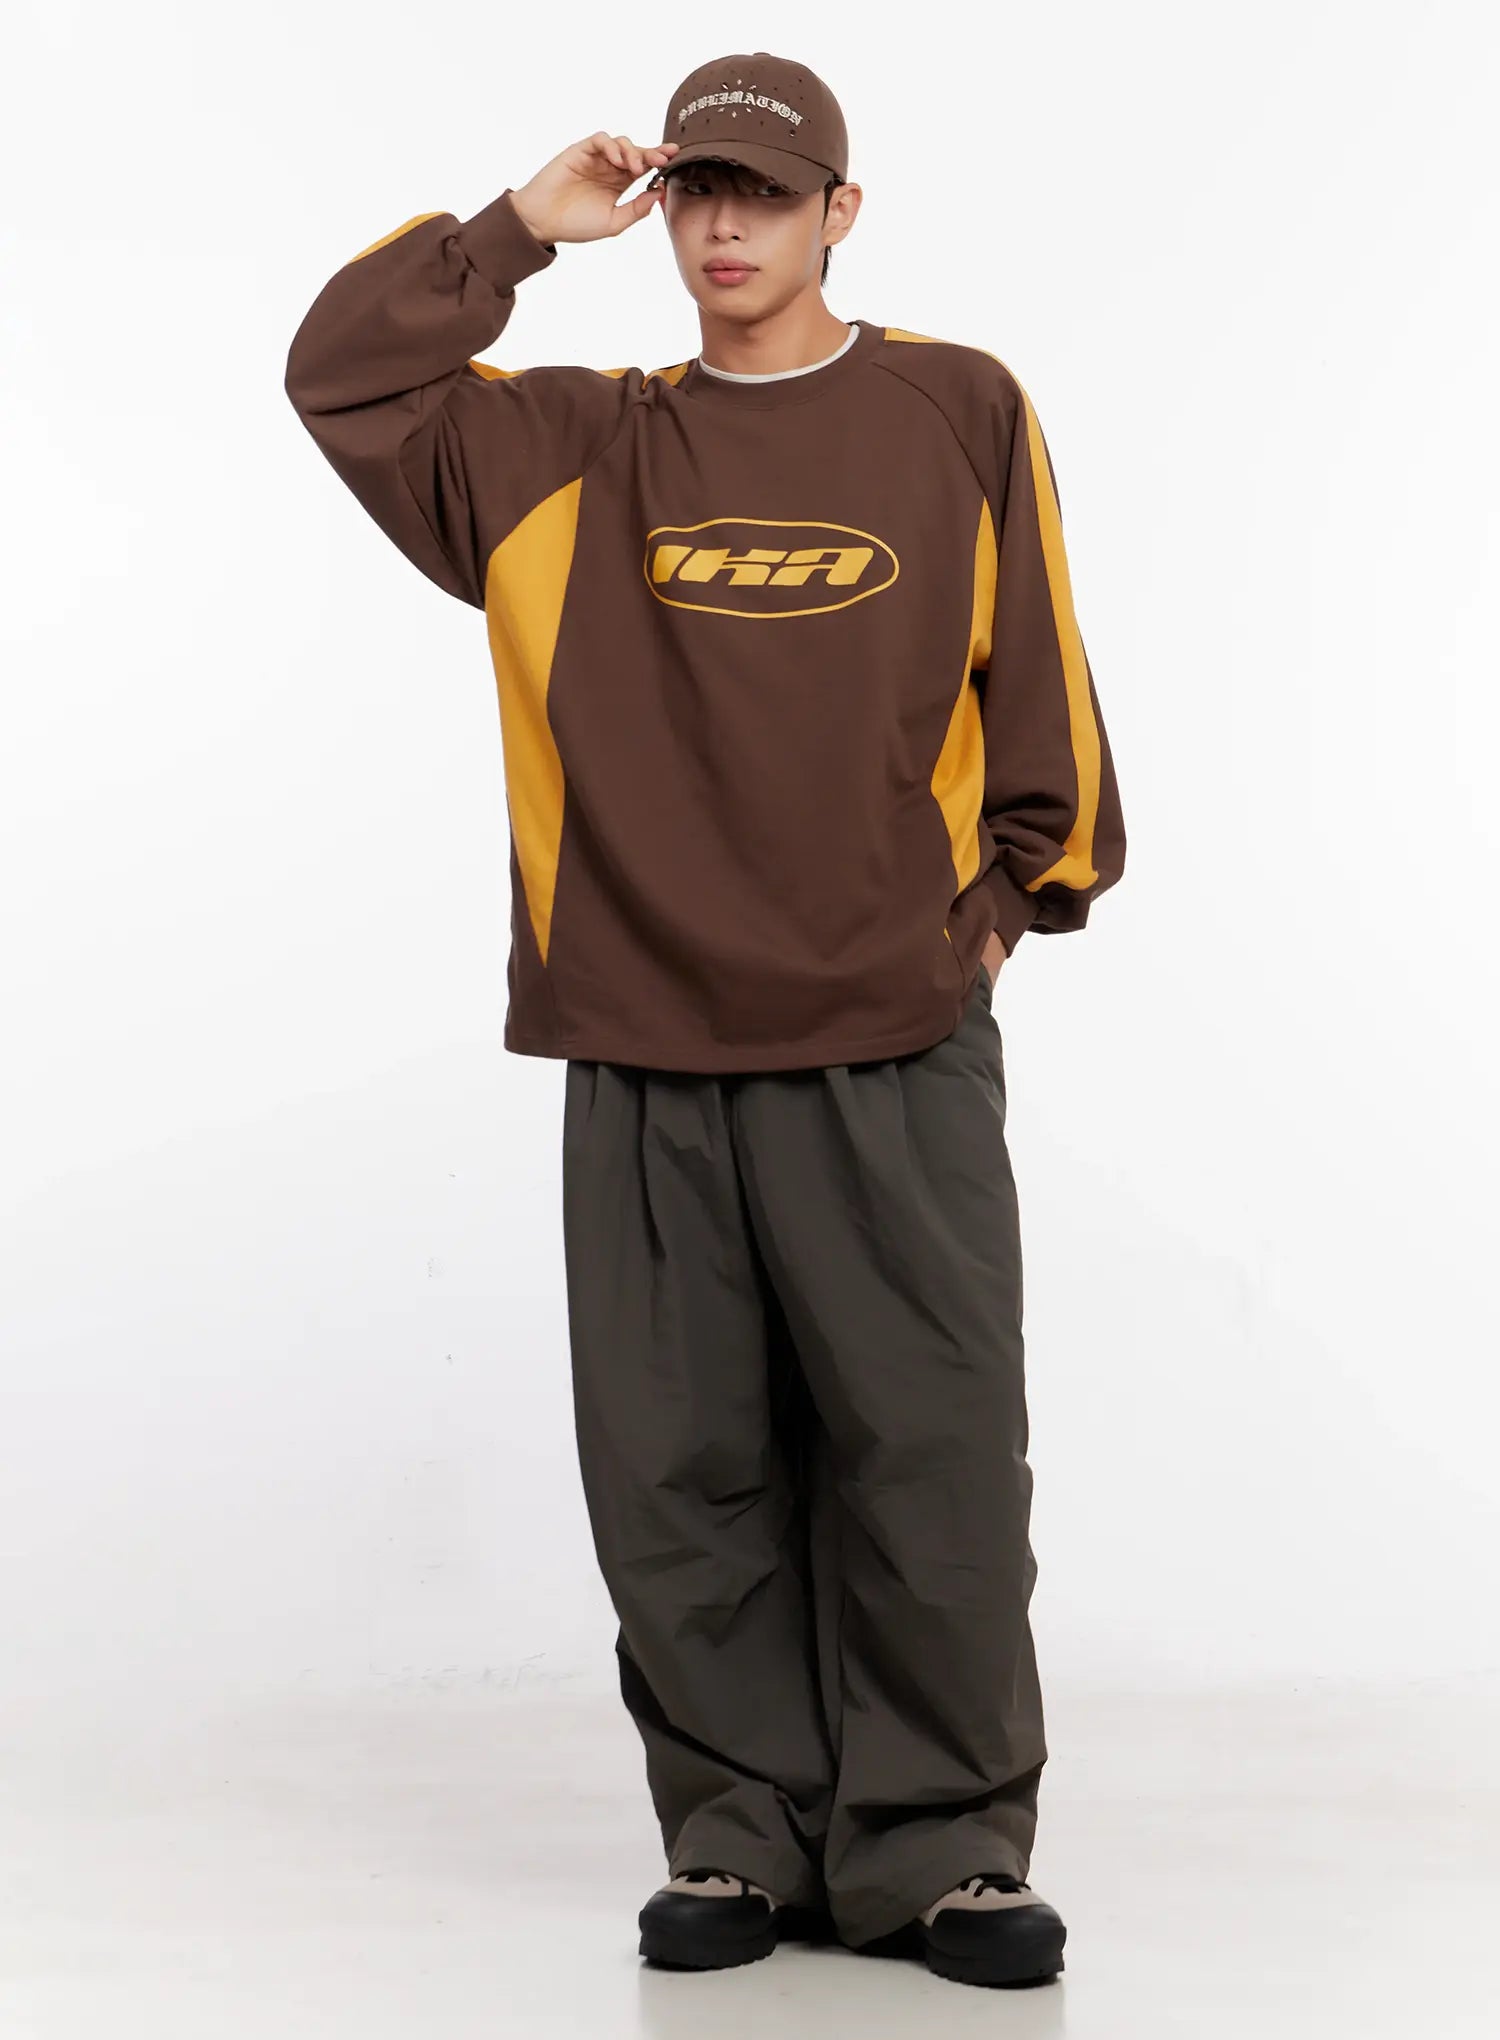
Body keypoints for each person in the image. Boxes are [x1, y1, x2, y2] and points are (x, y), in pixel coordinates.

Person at [285, 49, 1125, 1991]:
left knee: (929, 1454)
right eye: (698, 192)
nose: (727, 227)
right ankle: (739, 1838)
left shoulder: (956, 406)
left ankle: (943, 1851)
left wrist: (1008, 904)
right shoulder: (568, 446)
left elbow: (1043, 681)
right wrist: (519, 229)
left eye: (768, 191)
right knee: (681, 1472)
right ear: (660, 209)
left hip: (890, 1038)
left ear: (842, 211)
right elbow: (341, 376)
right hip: (646, 1034)